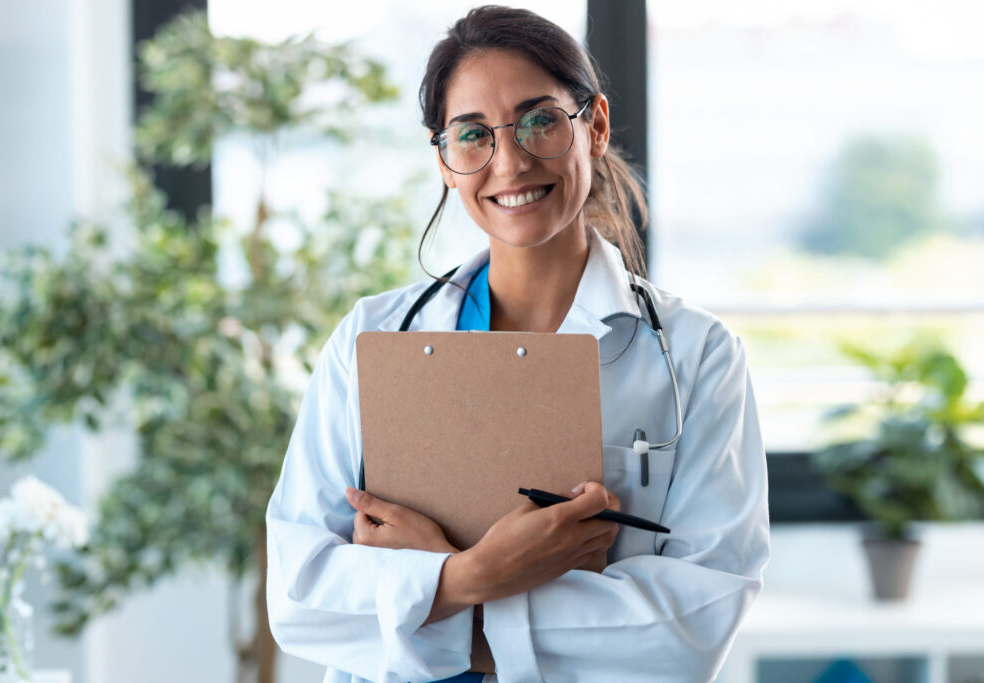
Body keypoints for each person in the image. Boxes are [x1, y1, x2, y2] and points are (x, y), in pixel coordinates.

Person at [266, 6, 770, 683]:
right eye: (472, 134)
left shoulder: (697, 356)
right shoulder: (372, 338)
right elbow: (299, 597)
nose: (510, 161)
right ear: (445, 159)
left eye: (539, 120)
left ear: (594, 126)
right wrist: (481, 571)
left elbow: (691, 631)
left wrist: (431, 594)